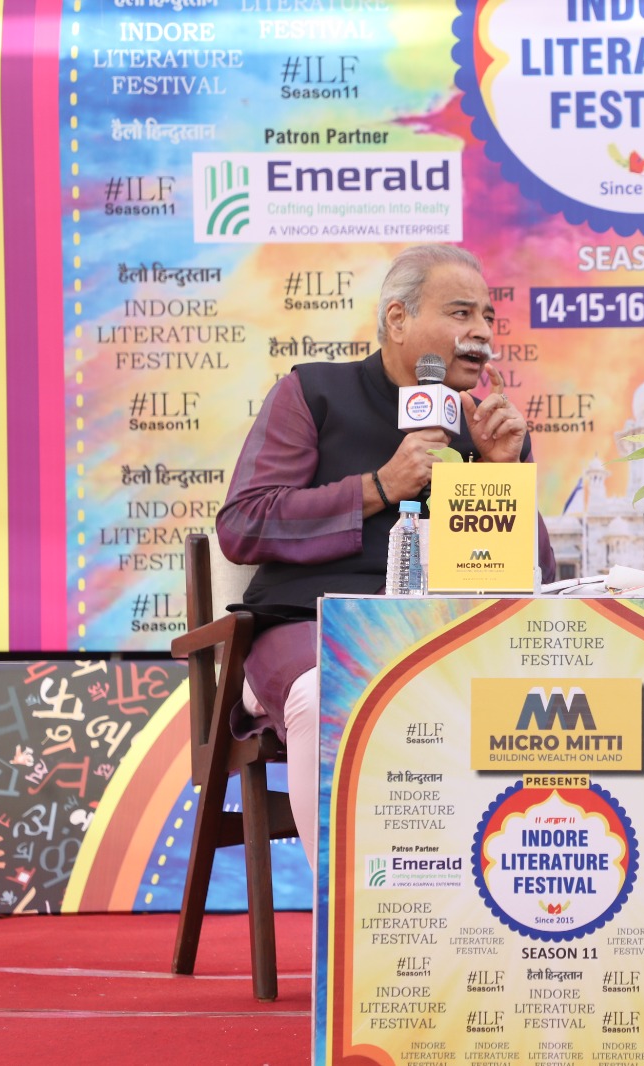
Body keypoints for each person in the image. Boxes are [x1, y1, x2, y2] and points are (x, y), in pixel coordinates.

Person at [217, 244, 555, 868]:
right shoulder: (313, 393)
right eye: (461, 313)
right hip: (313, 626)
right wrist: (380, 486)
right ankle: (342, 916)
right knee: (326, 692)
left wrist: (499, 477)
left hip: (440, 635)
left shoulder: (485, 428)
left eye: (487, 317)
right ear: (398, 319)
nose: (482, 332)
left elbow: (535, 579)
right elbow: (244, 523)